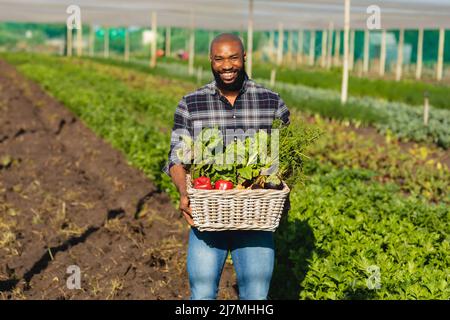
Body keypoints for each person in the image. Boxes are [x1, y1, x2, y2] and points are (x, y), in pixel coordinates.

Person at [163, 33, 290, 300]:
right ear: (210, 60)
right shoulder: (191, 103)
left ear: (244, 58)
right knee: (202, 292)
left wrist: (273, 183)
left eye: (233, 57)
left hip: (256, 217)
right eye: (219, 59)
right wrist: (184, 193)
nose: (227, 65)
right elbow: (176, 158)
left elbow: (285, 157)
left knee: (256, 296)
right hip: (208, 216)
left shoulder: (271, 101)